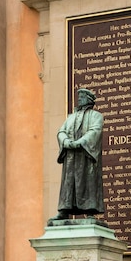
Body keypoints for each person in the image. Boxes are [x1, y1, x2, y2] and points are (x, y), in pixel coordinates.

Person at [51, 88, 104, 221]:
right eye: (78, 97)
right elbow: (61, 131)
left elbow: (95, 131)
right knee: (68, 183)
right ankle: (64, 210)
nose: (79, 99)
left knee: (88, 182)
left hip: (86, 156)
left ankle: (90, 211)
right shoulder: (71, 117)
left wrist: (80, 142)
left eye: (82, 97)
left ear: (89, 100)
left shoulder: (96, 116)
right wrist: (66, 141)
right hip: (71, 157)